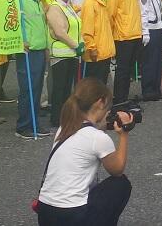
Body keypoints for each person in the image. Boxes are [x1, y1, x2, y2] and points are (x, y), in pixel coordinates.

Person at [36, 78, 134, 226]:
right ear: (100, 102)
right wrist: (124, 133)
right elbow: (117, 170)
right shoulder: (98, 138)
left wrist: (99, 124)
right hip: (72, 216)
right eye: (108, 106)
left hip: (45, 213)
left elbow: (85, 134)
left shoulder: (65, 127)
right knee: (120, 184)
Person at [13, 0, 52, 139]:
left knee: (36, 88)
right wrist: (19, 41)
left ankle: (34, 122)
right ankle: (23, 126)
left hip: (40, 47)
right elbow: (13, 23)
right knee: (28, 88)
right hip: (28, 50)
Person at [46, 0, 83, 128]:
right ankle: (57, 118)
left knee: (68, 89)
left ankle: (67, 116)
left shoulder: (67, 6)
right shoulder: (55, 7)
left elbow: (76, 26)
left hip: (72, 53)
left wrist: (81, 43)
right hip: (61, 55)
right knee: (59, 88)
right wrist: (76, 45)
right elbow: (60, 32)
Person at [106, 0, 143, 103]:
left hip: (134, 35)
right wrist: (111, 36)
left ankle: (124, 97)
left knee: (128, 71)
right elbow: (110, 13)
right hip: (123, 37)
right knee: (122, 71)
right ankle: (119, 99)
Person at [81, 0, 116, 83]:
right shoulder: (90, 3)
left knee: (101, 84)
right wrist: (92, 48)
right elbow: (87, 30)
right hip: (96, 54)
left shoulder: (99, 1)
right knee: (95, 86)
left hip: (104, 51)